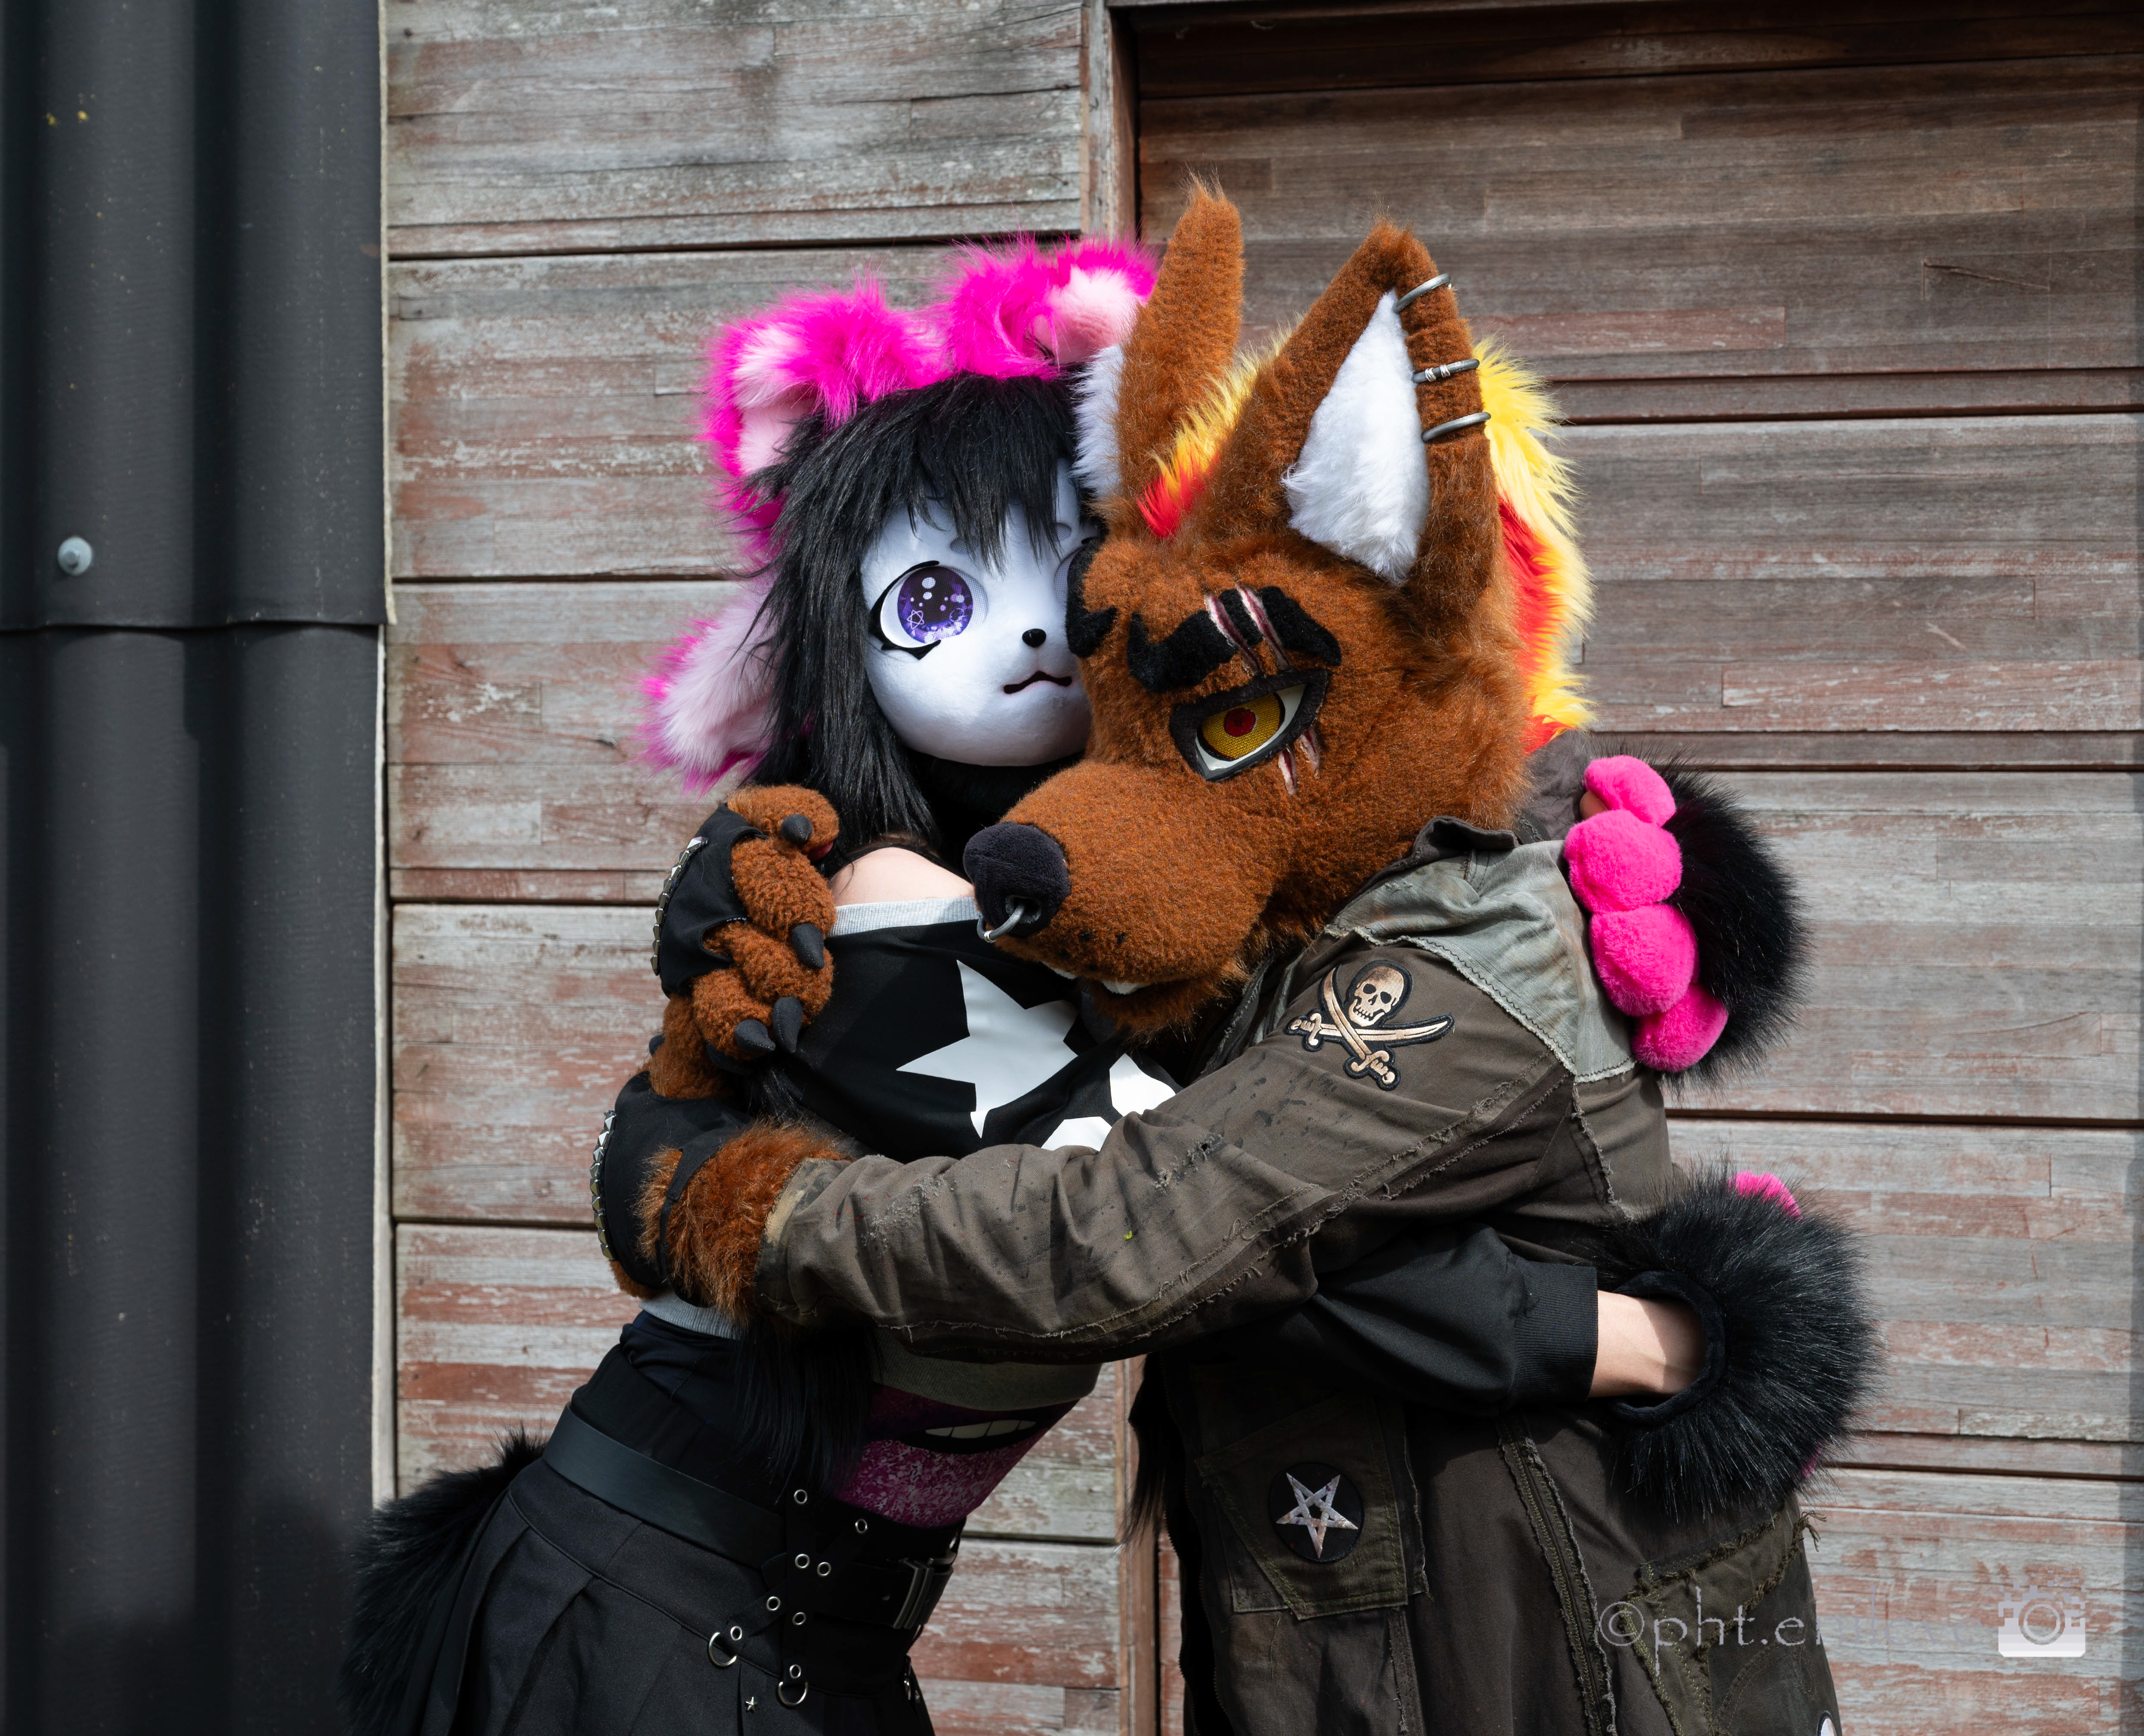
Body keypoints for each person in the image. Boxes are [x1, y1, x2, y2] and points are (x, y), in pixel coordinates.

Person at [596, 192, 1876, 1736]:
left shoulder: (1443, 942)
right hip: (752, 1606)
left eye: (1231, 711)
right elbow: (1218, 1224)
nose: (1031, 649)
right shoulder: (975, 910)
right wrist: (1624, 1337)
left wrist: (717, 1200)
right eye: (941, 598)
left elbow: (1151, 1233)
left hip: (1533, 1640)